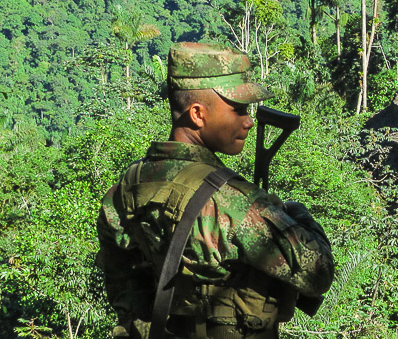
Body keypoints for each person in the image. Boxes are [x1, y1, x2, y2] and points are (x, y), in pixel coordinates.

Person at [97, 42, 334, 339]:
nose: (248, 121)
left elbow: (124, 290)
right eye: (238, 110)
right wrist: (296, 213)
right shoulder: (233, 202)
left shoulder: (124, 190)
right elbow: (318, 273)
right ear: (197, 114)